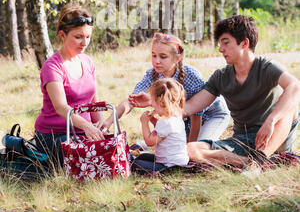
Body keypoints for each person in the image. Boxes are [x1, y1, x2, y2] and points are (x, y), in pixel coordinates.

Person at [184, 15, 300, 171]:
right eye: (220, 44)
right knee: (190, 149)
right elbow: (190, 106)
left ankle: (259, 160)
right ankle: (249, 163)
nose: (220, 49)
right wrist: (154, 104)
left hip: (274, 137)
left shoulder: (266, 67)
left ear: (245, 43)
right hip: (242, 141)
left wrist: (271, 121)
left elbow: (295, 86)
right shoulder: (221, 76)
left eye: (225, 43)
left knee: (291, 108)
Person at [102, 32, 230, 143]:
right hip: (185, 118)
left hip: (212, 114)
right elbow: (131, 101)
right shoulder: (152, 75)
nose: (157, 61)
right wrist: (108, 122)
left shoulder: (191, 75)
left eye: (163, 57)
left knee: (199, 149)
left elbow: (197, 115)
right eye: (154, 55)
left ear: (177, 58)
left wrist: (189, 149)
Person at [34, 4, 105, 166]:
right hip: (54, 135)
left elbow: (93, 102)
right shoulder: (52, 66)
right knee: (92, 157)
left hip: (84, 132)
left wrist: (100, 127)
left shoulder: (88, 62)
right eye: (78, 37)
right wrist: (88, 127)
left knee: (110, 149)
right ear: (62, 35)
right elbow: (61, 107)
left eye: (88, 36)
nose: (84, 42)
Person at [131, 78, 189, 174]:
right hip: (178, 161)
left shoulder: (165, 122)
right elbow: (161, 137)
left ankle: (164, 173)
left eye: (152, 102)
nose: (152, 106)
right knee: (142, 157)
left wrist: (144, 123)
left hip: (169, 166)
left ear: (159, 100)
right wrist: (155, 123)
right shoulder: (176, 117)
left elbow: (150, 142)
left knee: (136, 164)